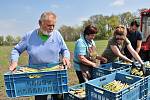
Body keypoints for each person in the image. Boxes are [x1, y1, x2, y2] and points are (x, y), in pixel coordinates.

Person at [9, 11, 70, 100]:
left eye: (53, 25)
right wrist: (14, 62)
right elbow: (16, 50)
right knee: (40, 98)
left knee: (58, 97)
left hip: (55, 73)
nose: (52, 28)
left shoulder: (57, 35)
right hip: (37, 76)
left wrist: (66, 57)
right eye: (49, 25)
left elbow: (65, 50)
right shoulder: (29, 36)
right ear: (40, 23)